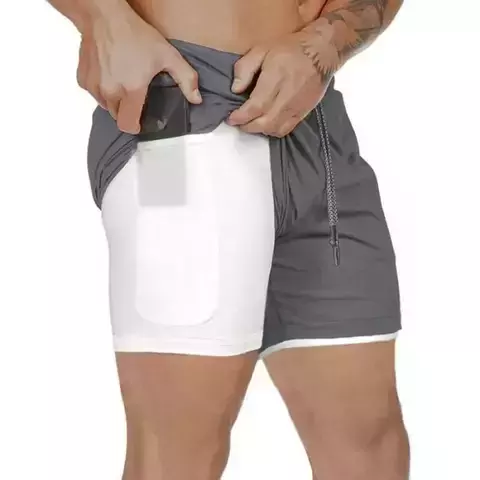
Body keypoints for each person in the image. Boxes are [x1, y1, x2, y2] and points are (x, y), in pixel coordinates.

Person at [48, 0, 410, 478]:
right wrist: (104, 18)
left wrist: (326, 44)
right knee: (179, 452)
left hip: (315, 121)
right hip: (179, 109)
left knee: (369, 439)